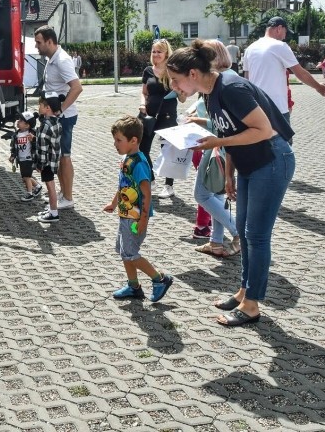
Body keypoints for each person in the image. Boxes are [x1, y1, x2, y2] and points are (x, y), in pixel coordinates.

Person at [166, 40, 295, 327]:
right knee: (246, 235)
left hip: (272, 161)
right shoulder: (210, 94)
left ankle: (251, 306)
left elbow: (263, 130)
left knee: (257, 236)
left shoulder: (232, 89)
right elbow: (231, 130)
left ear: (193, 74)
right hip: (249, 163)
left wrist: (219, 142)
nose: (174, 87)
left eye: (176, 80)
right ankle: (243, 292)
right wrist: (228, 174)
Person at [103, 115, 173, 302]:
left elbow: (147, 193)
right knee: (124, 252)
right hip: (126, 214)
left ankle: (160, 279)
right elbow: (124, 185)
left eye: (119, 140)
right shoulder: (128, 159)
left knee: (131, 254)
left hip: (135, 219)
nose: (115, 144)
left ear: (133, 140)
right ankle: (134, 287)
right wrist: (113, 203)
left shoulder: (139, 163)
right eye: (115, 140)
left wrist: (143, 220)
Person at [185, 39, 241, 257]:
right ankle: (216, 242)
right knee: (216, 197)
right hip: (216, 145)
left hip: (218, 146)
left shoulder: (225, 81)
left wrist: (198, 121)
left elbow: (223, 124)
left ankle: (238, 232)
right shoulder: (221, 79)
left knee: (202, 194)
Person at [244, 16, 325, 124]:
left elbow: (247, 79)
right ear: (279, 28)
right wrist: (318, 87)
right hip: (277, 108)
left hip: (256, 107)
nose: (285, 37)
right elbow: (300, 73)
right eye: (285, 32)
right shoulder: (280, 46)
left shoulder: (250, 49)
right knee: (284, 140)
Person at [34, 26, 83, 210]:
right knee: (60, 155)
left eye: (39, 42)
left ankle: (68, 197)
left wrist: (60, 110)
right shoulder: (52, 59)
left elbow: (77, 87)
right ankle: (63, 193)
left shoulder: (62, 60)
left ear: (49, 41)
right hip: (58, 118)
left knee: (65, 157)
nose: (37, 46)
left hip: (64, 118)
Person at [140, 38, 184, 199]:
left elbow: (183, 98)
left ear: (166, 54)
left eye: (159, 51)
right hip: (149, 114)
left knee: (168, 151)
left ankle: (169, 185)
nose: (156, 54)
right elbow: (144, 92)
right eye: (154, 51)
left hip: (167, 114)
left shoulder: (172, 71)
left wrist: (179, 90)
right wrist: (142, 104)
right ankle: (150, 179)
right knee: (142, 148)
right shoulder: (148, 70)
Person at [34, 95, 62, 224]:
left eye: (40, 105)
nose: (38, 107)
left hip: (46, 162)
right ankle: (51, 209)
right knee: (50, 186)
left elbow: (43, 147)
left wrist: (40, 163)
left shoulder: (45, 125)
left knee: (50, 187)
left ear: (48, 108)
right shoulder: (56, 121)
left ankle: (54, 213)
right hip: (53, 160)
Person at [9, 111, 43, 201]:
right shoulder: (16, 135)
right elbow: (14, 146)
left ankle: (29, 193)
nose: (18, 121)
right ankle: (38, 186)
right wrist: (13, 155)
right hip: (21, 159)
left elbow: (38, 145)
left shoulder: (31, 133)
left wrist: (34, 140)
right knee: (24, 177)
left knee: (27, 177)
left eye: (21, 120)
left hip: (29, 158)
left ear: (27, 125)